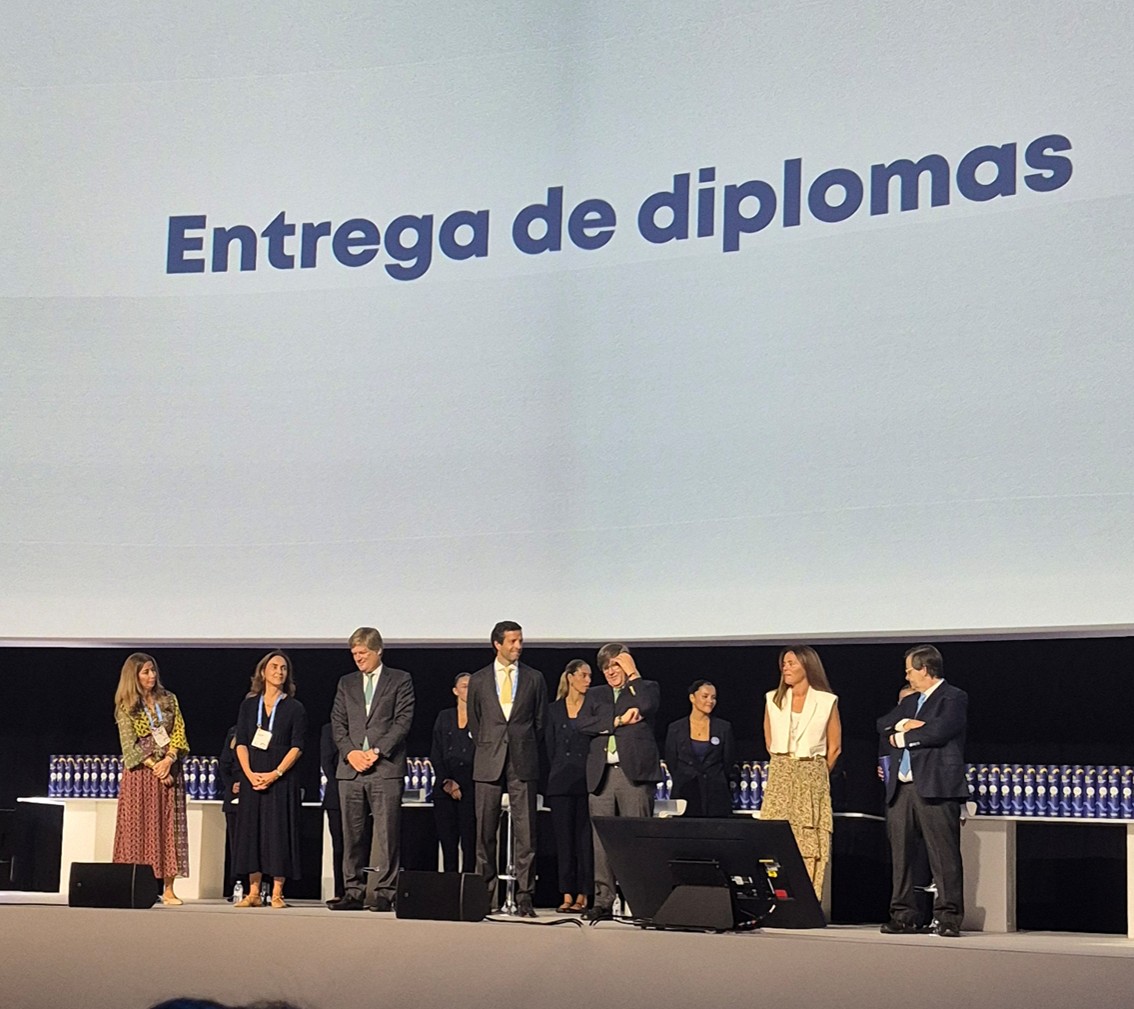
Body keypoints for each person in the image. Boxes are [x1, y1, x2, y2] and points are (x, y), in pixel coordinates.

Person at [877, 644, 968, 938]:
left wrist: (904, 737)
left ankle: (948, 918)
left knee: (943, 855)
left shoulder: (953, 697)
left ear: (925, 669)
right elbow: (883, 725)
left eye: (909, 670)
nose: (907, 676)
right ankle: (903, 916)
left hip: (935, 785)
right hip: (902, 788)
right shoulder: (910, 701)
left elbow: (940, 731)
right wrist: (906, 724)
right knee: (901, 856)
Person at [328, 626, 415, 912]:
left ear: (378, 651)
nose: (358, 658)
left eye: (363, 653)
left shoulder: (400, 679)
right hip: (351, 769)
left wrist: (376, 752)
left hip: (385, 768)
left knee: (386, 835)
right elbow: (337, 722)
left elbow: (403, 721)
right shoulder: (346, 683)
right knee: (352, 834)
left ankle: (383, 893)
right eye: (354, 653)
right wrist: (351, 753)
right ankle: (353, 891)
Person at [467, 620, 548, 916]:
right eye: (512, 641)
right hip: (488, 759)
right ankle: (485, 896)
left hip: (523, 759)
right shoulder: (479, 680)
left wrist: (520, 742)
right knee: (485, 832)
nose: (518, 646)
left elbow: (540, 722)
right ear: (497, 644)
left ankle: (525, 896)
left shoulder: (534, 678)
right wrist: (491, 743)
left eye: (520, 640)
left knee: (526, 833)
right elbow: (476, 721)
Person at [575, 643, 661, 921]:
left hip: (633, 774)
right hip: (601, 776)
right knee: (601, 843)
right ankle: (603, 900)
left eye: (616, 665)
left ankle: (642, 901)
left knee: (637, 839)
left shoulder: (646, 687)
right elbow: (582, 724)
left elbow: (647, 706)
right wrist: (617, 721)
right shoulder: (595, 694)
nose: (611, 672)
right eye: (606, 667)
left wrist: (633, 674)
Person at [761, 646, 842, 900]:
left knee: (807, 840)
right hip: (781, 773)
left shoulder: (826, 701)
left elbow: (835, 747)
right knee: (775, 836)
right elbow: (769, 740)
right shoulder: (773, 699)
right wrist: (786, 767)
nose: (785, 668)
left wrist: (816, 775)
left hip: (811, 773)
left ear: (807, 666)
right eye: (784, 663)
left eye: (791, 663)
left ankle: (807, 900)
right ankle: (776, 897)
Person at [112, 652, 190, 905]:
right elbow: (129, 746)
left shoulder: (169, 699)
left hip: (170, 769)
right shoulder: (126, 705)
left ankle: (169, 889)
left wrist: (169, 760)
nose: (151, 676)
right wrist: (156, 767)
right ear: (133, 676)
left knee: (169, 828)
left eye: (153, 670)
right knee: (138, 828)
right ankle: (134, 885)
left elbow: (179, 731)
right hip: (141, 775)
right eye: (145, 672)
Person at [233, 650, 307, 908]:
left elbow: (297, 746)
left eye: (283, 668)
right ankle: (253, 892)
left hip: (281, 778)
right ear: (263, 672)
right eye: (274, 667)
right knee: (251, 832)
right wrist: (249, 773)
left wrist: (276, 773)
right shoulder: (248, 706)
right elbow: (241, 742)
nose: (279, 672)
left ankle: (277, 892)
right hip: (252, 776)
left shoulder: (294, 707)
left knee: (278, 833)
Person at [545, 659, 594, 912]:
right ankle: (566, 893)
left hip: (588, 782)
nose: (588, 680)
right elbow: (549, 747)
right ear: (570, 677)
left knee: (585, 842)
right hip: (560, 783)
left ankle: (584, 894)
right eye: (584, 675)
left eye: (589, 676)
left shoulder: (593, 707)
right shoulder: (553, 710)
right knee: (564, 842)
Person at [664, 680, 736, 818]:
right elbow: (671, 761)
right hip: (685, 794)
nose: (710, 701)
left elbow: (728, 762)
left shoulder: (724, 728)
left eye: (713, 697)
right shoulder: (675, 728)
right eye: (705, 696)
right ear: (692, 698)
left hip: (716, 796)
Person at [430, 672, 477, 873]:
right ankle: (449, 886)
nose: (469, 690)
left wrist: (463, 785)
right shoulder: (444, 716)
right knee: (448, 843)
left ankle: (468, 885)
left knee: (470, 843)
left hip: (471, 788)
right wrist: (446, 781)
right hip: (445, 787)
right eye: (465, 686)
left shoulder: (481, 718)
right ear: (455, 691)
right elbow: (436, 751)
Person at [319, 722, 345, 900]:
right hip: (336, 795)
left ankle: (365, 889)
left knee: (362, 845)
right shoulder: (329, 729)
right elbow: (326, 762)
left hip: (366, 794)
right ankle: (340, 891)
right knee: (339, 846)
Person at [217, 724, 243, 901]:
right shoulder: (234, 732)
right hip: (236, 796)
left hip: (261, 790)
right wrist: (231, 784)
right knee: (236, 843)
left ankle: (263, 886)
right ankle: (238, 884)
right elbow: (224, 764)